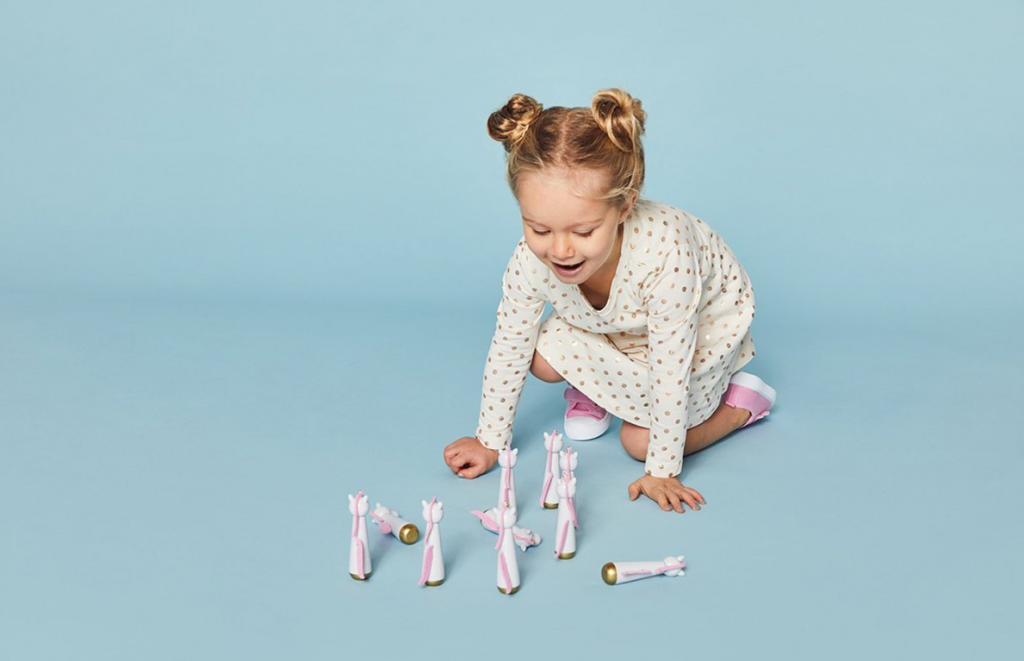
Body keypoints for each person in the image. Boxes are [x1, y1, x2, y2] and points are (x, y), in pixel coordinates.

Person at [442, 89, 776, 514]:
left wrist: (662, 468)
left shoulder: (664, 253)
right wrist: (490, 440)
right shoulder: (531, 260)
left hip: (695, 333)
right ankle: (596, 389)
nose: (561, 250)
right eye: (539, 229)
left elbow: (670, 366)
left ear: (624, 206)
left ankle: (742, 406)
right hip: (617, 326)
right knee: (539, 356)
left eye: (583, 232)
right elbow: (509, 342)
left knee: (638, 442)